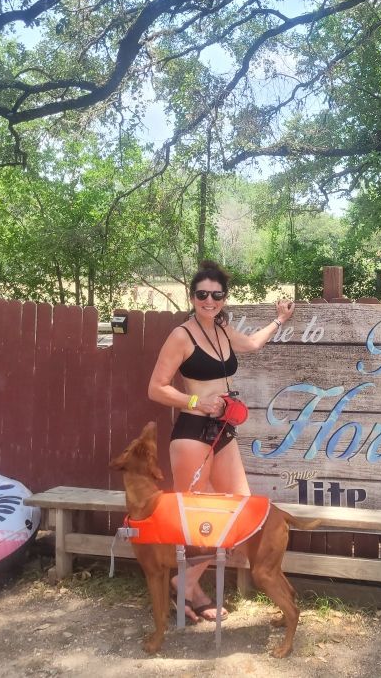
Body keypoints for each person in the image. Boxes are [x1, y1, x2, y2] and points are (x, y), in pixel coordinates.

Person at [147, 260, 295, 622]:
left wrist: (279, 319)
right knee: (198, 521)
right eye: (202, 295)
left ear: (224, 298)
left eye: (216, 295)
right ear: (192, 296)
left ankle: (182, 583)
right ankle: (189, 588)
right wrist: (196, 401)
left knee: (243, 513)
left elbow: (253, 345)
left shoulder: (223, 329)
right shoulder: (182, 336)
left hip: (224, 432)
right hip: (193, 435)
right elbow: (155, 388)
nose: (209, 301)